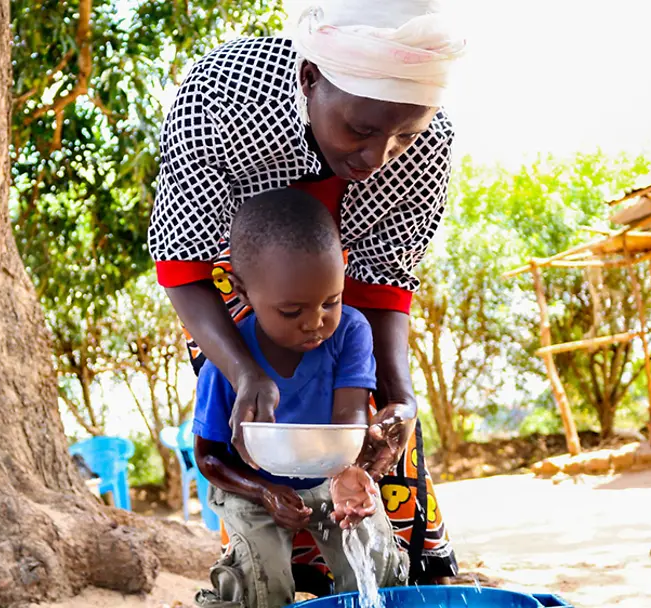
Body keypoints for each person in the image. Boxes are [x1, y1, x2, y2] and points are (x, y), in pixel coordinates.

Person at [148, 0, 464, 587]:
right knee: (267, 435)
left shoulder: (430, 140)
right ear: (310, 78)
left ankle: (402, 577)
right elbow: (182, 266)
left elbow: (387, 278)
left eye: (403, 136)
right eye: (362, 130)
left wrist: (399, 396)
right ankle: (278, 582)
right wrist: (245, 371)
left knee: (380, 442)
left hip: (342, 292)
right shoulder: (222, 98)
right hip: (233, 289)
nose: (378, 157)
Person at [193, 190, 408, 608]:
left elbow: (348, 425)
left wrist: (351, 474)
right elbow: (209, 459)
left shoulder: (349, 332)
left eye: (331, 301)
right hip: (250, 486)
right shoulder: (224, 360)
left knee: (375, 562)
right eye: (291, 312)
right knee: (264, 581)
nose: (315, 323)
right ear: (241, 291)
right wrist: (265, 493)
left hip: (329, 476)